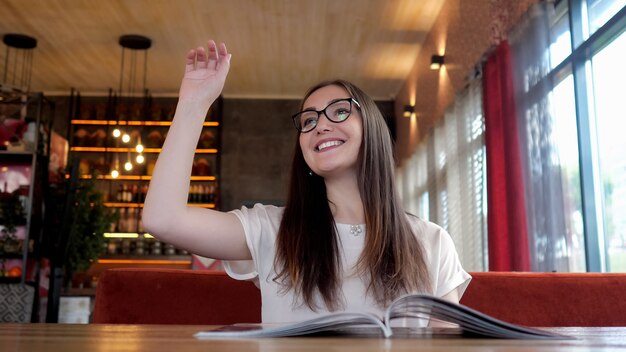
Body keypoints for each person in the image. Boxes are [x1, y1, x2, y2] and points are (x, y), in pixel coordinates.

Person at [143, 40, 471, 324]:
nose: (320, 125)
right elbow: (163, 220)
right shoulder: (270, 229)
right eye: (309, 119)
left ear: (371, 130)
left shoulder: (432, 241)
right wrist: (193, 104)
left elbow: (446, 342)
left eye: (339, 112)